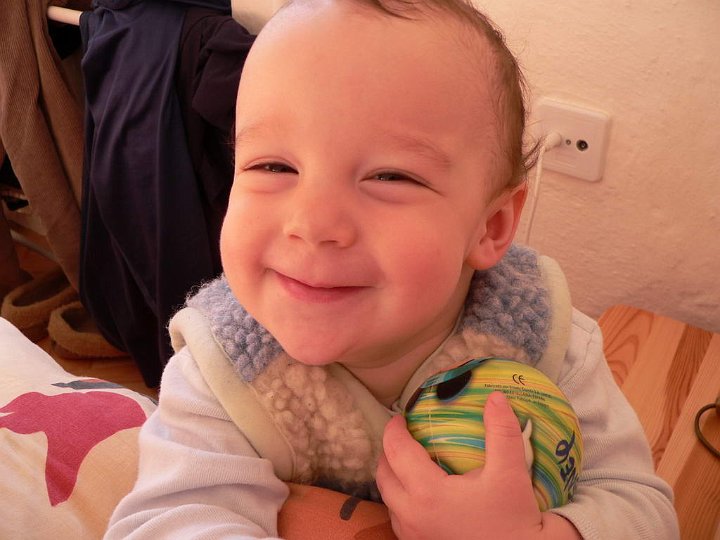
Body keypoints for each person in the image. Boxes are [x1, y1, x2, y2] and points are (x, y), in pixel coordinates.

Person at [105, 0, 680, 538]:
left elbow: (641, 507)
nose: (313, 222)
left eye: (390, 177)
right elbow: (169, 521)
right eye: (274, 165)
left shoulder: (544, 343)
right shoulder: (226, 371)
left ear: (491, 226)